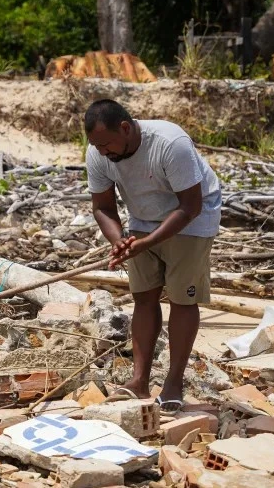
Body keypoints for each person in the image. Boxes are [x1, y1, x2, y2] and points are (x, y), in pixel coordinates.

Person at [83, 99, 221, 410]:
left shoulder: (171, 144)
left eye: (106, 143)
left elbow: (190, 205)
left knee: (182, 298)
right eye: (96, 145)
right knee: (143, 296)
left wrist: (148, 242)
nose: (102, 152)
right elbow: (102, 207)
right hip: (143, 219)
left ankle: (173, 382)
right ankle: (139, 381)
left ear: (126, 128)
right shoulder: (98, 153)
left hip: (193, 219)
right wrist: (120, 241)